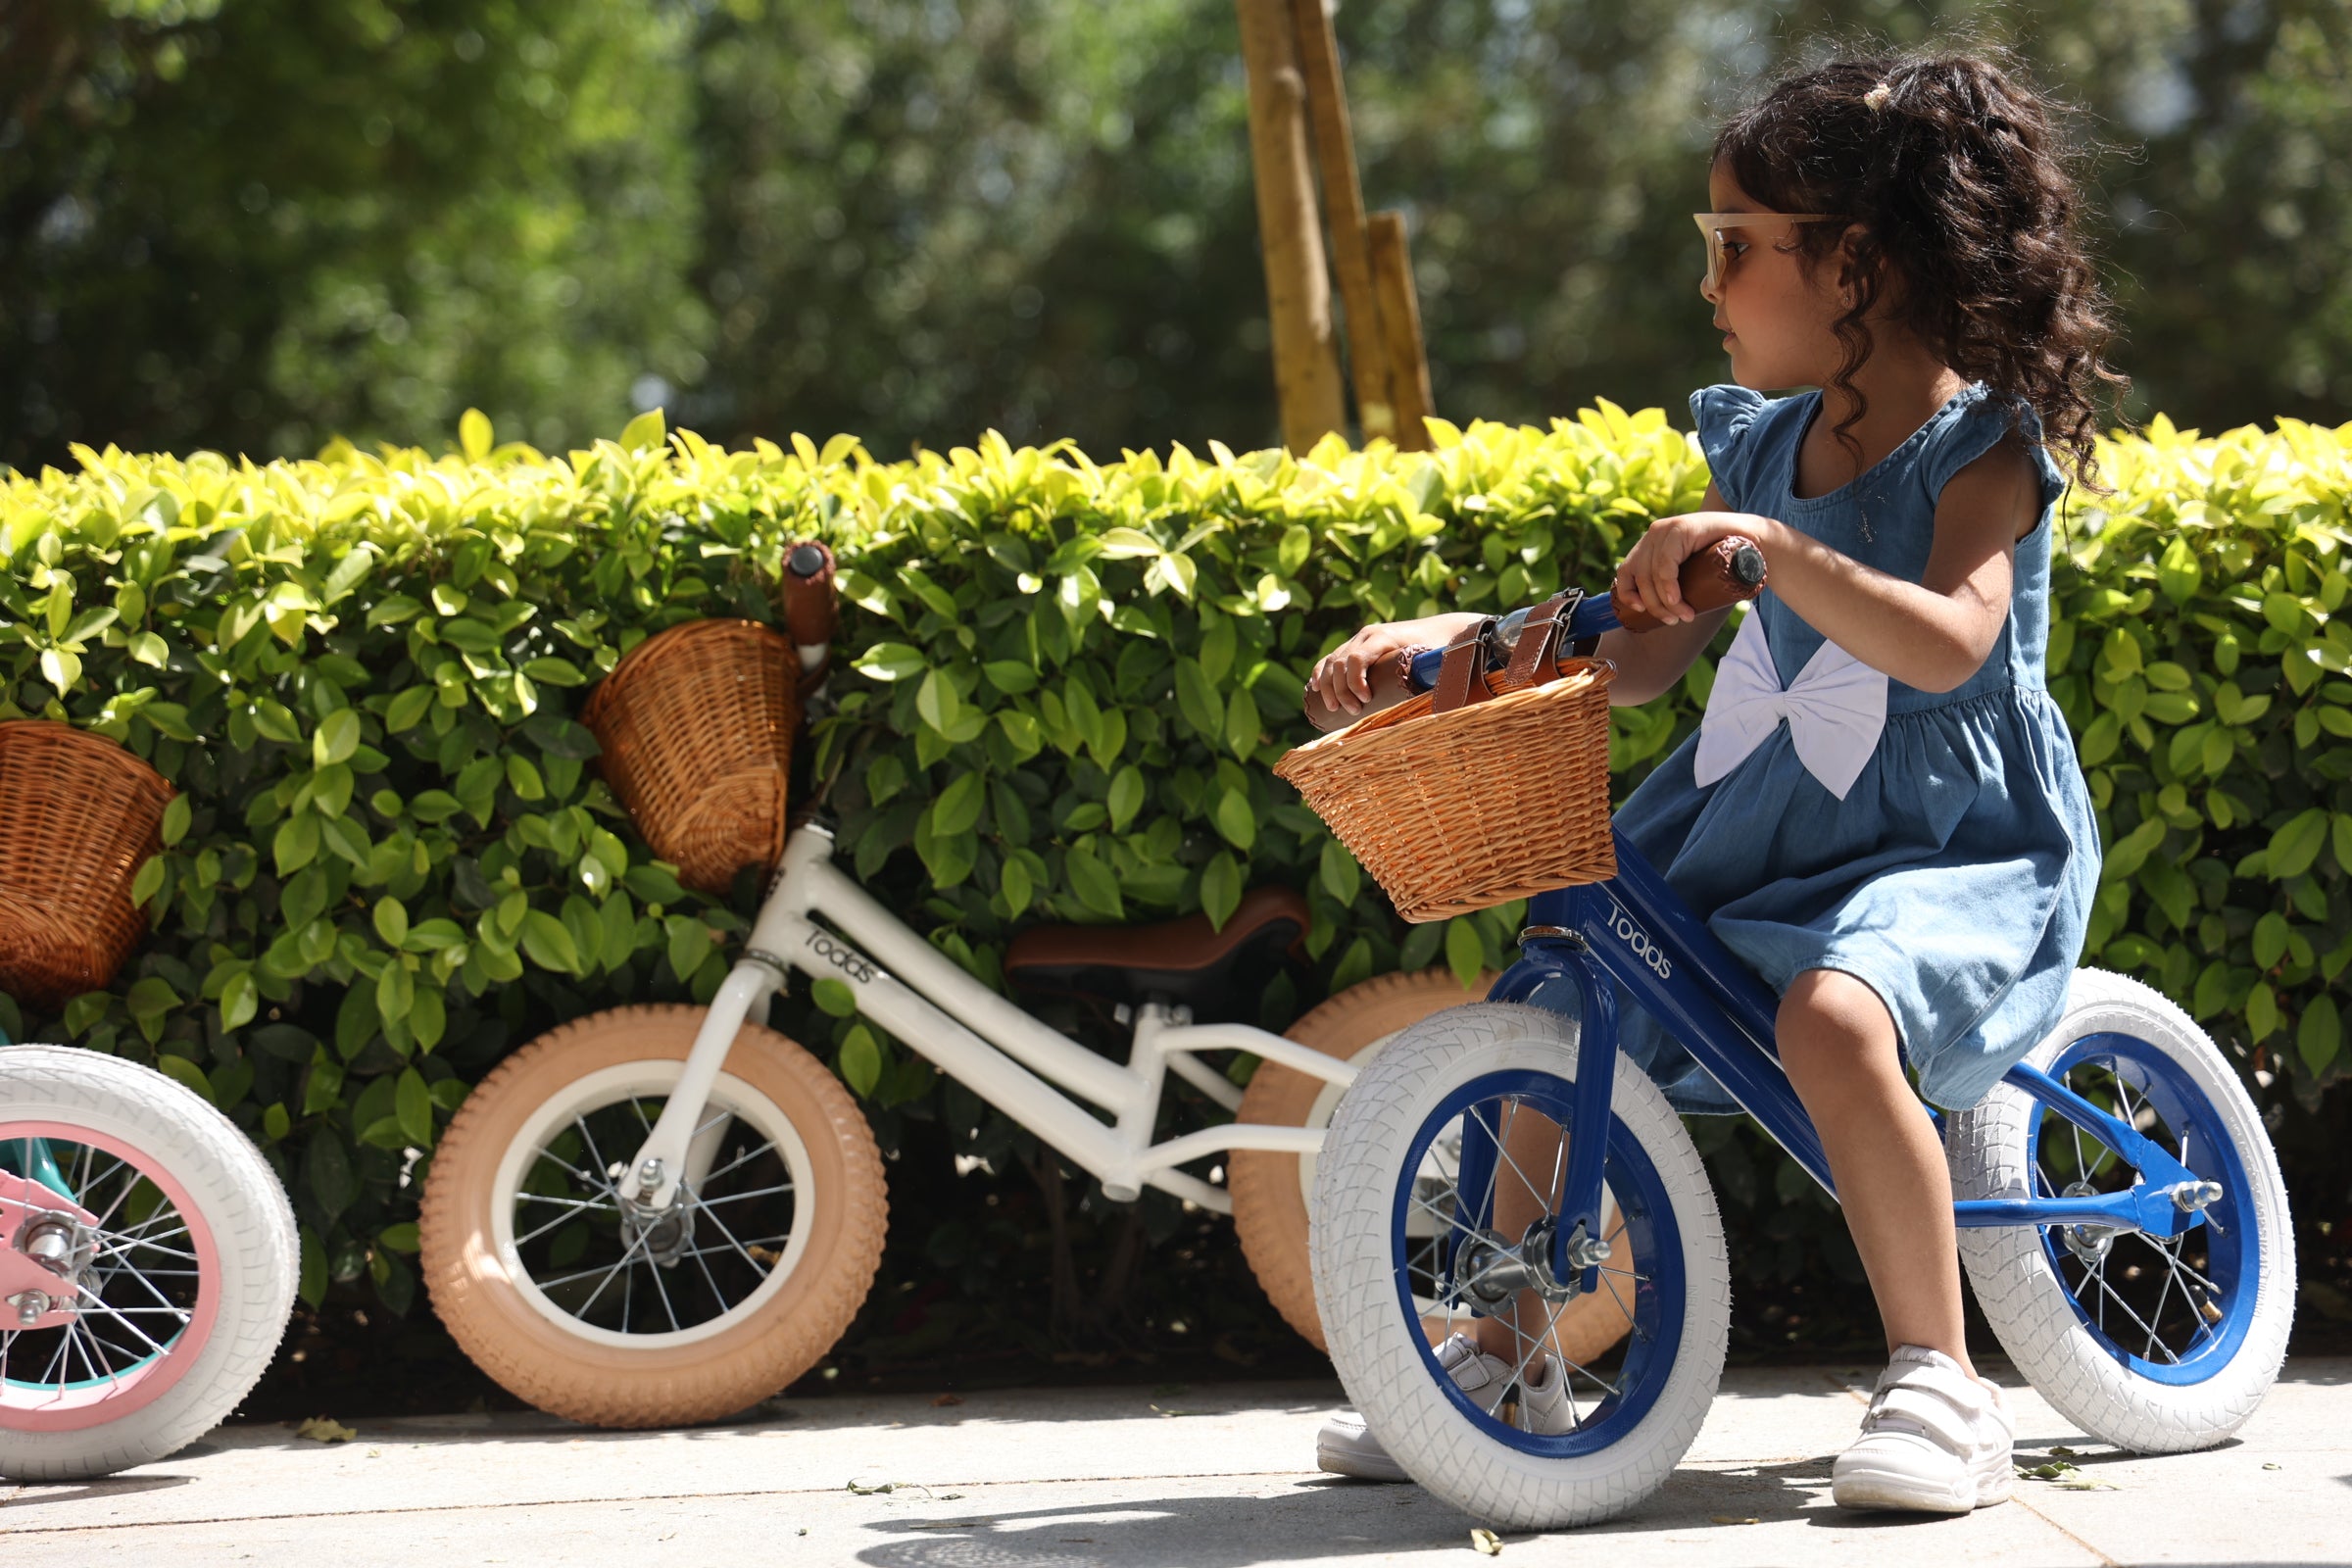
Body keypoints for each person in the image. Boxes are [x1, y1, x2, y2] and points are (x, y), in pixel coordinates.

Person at [1304, 48, 2119, 1515]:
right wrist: (1451, 647)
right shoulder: (1758, 442)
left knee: (1834, 1007)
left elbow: (1946, 648)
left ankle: (1941, 1375)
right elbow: (1633, 658)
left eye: (1736, 247)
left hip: (1946, 842)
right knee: (1550, 993)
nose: (1713, 284)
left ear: (1855, 265)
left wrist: (1782, 554)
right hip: (1766, 816)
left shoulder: (1978, 447)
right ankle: (1509, 1342)